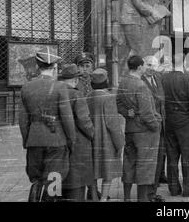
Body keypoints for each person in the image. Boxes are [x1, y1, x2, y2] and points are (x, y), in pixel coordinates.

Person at [19, 47, 76, 202]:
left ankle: (35, 194)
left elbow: (23, 121)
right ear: (55, 67)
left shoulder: (26, 87)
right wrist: (71, 140)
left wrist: (27, 140)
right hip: (57, 140)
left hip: (34, 140)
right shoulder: (60, 87)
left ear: (38, 66)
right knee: (54, 179)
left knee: (36, 178)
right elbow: (67, 118)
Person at [117, 56, 161, 202]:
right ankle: (142, 199)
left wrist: (126, 112)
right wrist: (155, 126)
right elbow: (147, 113)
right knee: (145, 166)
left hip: (130, 129)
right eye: (143, 66)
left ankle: (127, 198)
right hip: (144, 132)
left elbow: (118, 103)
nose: (145, 68)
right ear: (140, 67)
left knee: (129, 164)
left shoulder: (123, 82)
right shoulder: (141, 85)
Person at [160, 53, 189, 197]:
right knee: (188, 155)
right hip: (185, 121)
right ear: (183, 62)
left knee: (172, 155)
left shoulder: (164, 78)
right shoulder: (187, 78)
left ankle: (174, 188)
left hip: (169, 120)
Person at [58, 64, 95, 202]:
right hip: (78, 143)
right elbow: (84, 120)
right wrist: (93, 133)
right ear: (75, 80)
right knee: (77, 184)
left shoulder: (54, 92)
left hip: (58, 142)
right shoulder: (76, 94)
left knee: (58, 184)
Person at [87, 69, 124, 202]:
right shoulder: (108, 97)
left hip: (91, 139)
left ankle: (94, 196)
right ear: (106, 81)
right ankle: (103, 198)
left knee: (93, 169)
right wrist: (120, 142)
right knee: (108, 172)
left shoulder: (88, 96)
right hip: (106, 140)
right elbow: (112, 124)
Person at [141, 56, 167, 201]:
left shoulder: (158, 78)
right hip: (147, 128)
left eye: (154, 65)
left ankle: (152, 192)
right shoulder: (140, 81)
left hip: (161, 127)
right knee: (148, 161)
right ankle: (145, 194)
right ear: (143, 65)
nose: (151, 67)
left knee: (158, 161)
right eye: (148, 65)